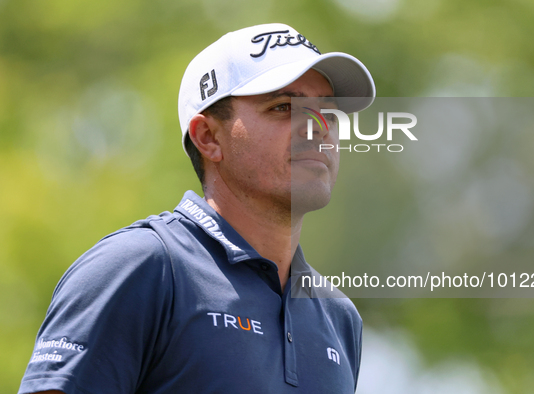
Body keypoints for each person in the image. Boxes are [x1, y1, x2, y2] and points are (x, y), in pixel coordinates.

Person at [18, 23, 375, 394]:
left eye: (328, 114)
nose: (318, 128)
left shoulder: (339, 316)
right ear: (208, 138)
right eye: (283, 107)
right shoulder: (140, 267)